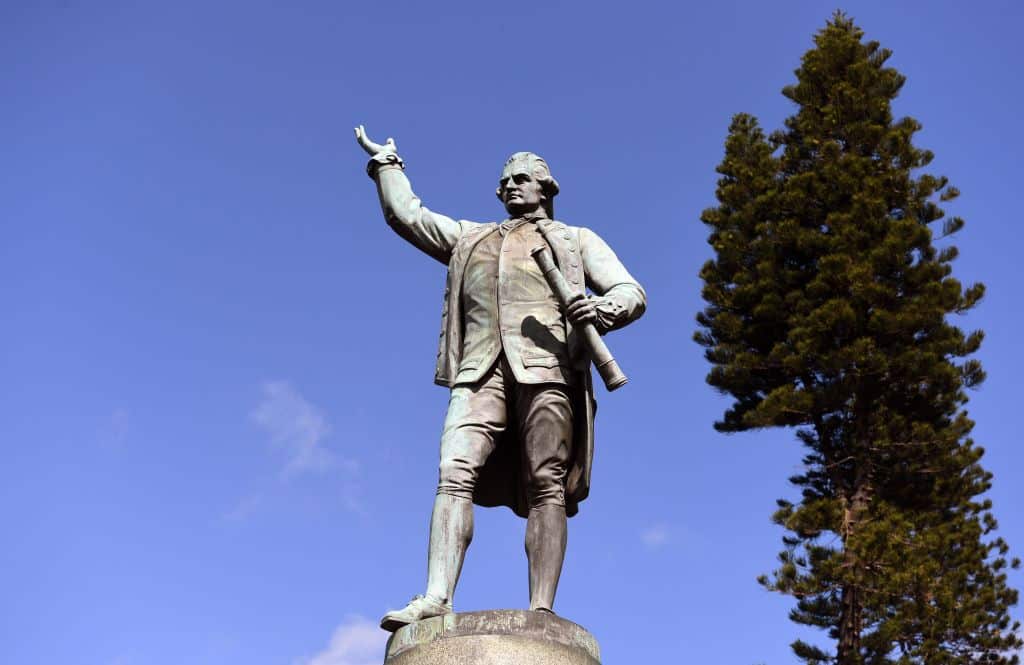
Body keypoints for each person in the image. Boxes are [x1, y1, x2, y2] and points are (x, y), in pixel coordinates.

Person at [354, 126, 646, 631]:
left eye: (522, 179)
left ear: (546, 188)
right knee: (453, 471)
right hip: (479, 371)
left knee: (546, 485)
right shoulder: (472, 237)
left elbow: (631, 291)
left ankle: (541, 609)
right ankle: (435, 598)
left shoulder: (576, 241)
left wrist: (602, 306)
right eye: (505, 180)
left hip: (548, 369)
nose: (511, 186)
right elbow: (409, 216)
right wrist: (388, 166)